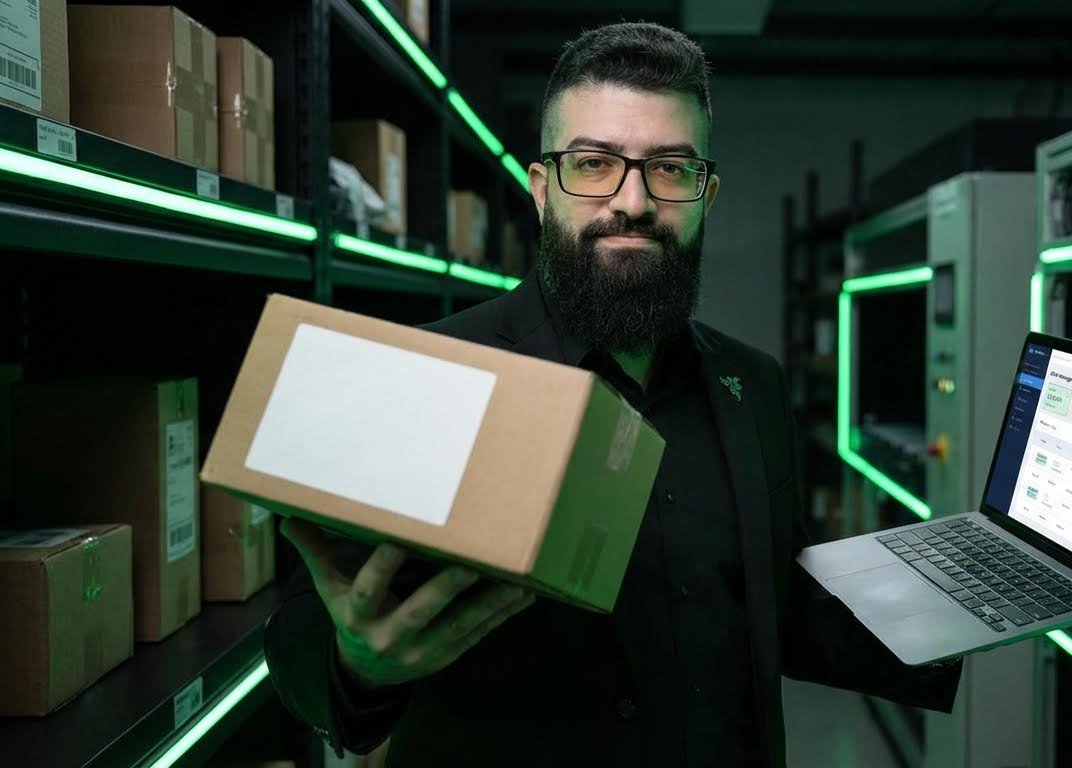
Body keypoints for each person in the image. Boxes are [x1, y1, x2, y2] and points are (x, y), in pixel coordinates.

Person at [266, 21, 962, 767]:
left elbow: (768, 597)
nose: (631, 201)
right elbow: (310, 626)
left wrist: (962, 601)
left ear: (705, 195)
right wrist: (358, 669)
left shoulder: (750, 384)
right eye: (594, 163)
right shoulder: (434, 374)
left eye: (669, 169)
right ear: (541, 191)